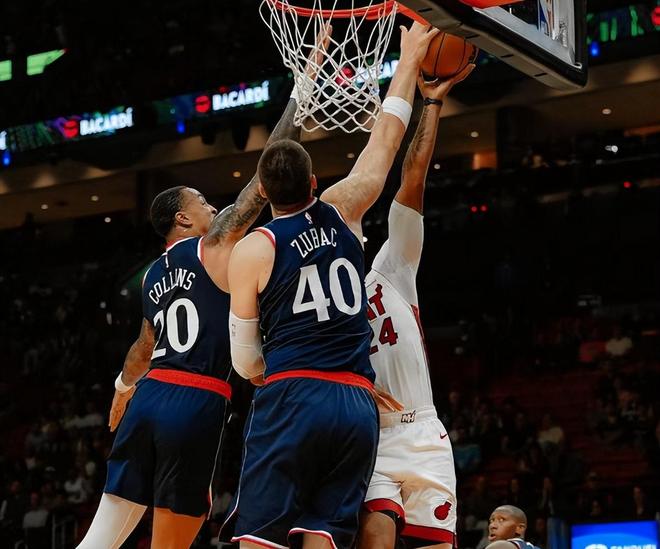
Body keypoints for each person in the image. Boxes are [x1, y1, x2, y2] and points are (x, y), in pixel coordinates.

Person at [225, 21, 439, 549]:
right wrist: (409, 57)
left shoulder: (254, 248)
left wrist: (278, 372)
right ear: (315, 183)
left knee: (260, 536)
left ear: (262, 191)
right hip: (355, 403)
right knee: (324, 532)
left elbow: (245, 361)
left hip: (294, 393)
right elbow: (387, 137)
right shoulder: (343, 208)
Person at [76, 86, 308, 549]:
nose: (212, 207)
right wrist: (301, 93)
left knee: (100, 538)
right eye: (201, 202)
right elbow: (267, 175)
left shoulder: (150, 275)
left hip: (147, 398)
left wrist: (122, 389)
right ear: (182, 219)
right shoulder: (214, 245)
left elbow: (144, 347)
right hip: (195, 399)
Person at [356, 65, 473, 549]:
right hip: (370, 435)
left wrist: (432, 103)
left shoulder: (390, 268)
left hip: (421, 429)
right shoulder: (319, 295)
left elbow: (412, 179)